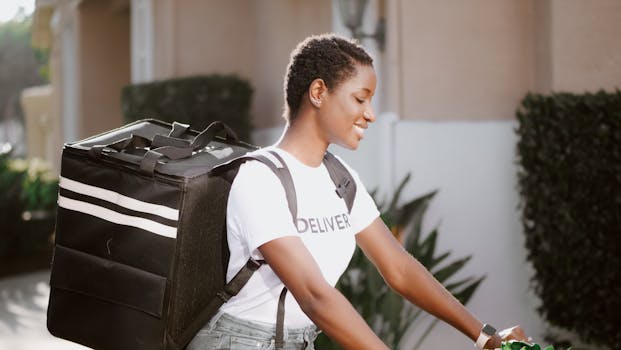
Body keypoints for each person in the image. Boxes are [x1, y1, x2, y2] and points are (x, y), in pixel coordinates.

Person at [188, 33, 530, 350]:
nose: (370, 115)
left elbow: (399, 268)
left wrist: (484, 336)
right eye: (360, 98)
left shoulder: (339, 177)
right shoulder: (260, 178)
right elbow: (313, 295)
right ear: (319, 92)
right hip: (237, 342)